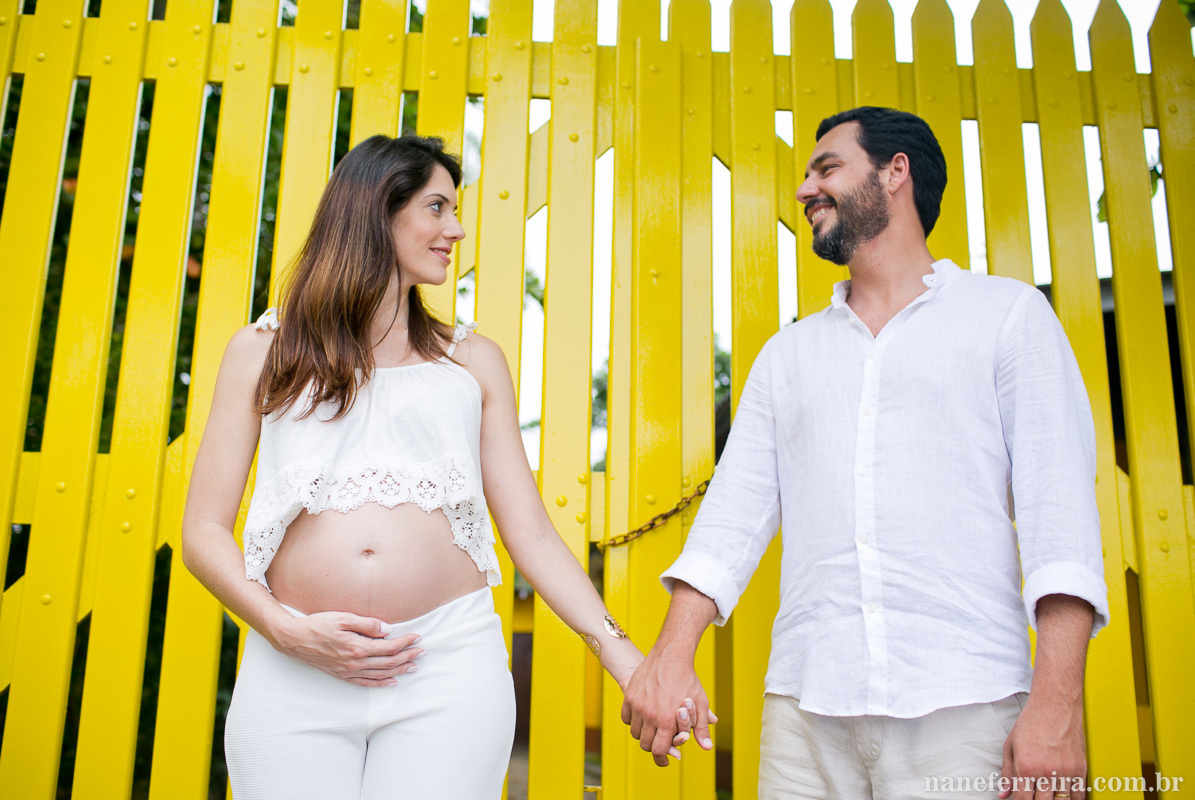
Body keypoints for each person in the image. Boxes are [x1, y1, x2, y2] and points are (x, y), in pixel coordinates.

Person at [621, 107, 1109, 800]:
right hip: (804, 721)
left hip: (964, 708)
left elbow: (1059, 520)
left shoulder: (1009, 316)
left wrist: (1058, 708)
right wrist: (671, 655)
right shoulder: (788, 356)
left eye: (826, 168)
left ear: (895, 172)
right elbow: (730, 521)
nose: (804, 189)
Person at [181, 134, 656, 799]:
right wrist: (284, 631)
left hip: (447, 667)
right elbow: (202, 530)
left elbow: (532, 534)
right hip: (293, 668)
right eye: (437, 207)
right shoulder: (261, 351)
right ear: (380, 209)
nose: (455, 229)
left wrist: (624, 656)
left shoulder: (472, 363)